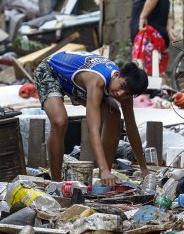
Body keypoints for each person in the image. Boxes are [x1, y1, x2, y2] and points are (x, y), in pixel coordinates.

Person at [34, 51, 151, 186]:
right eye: (121, 87)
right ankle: (56, 182)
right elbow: (93, 129)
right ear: (117, 75)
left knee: (113, 113)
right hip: (51, 71)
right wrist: (103, 168)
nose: (120, 94)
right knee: (60, 121)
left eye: (127, 93)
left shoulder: (126, 90)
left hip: (75, 83)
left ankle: (105, 178)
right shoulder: (97, 82)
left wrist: (143, 168)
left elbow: (131, 128)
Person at [130, 0, 173, 74]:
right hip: (159, 39)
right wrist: (169, 28)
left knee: (141, 75)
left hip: (148, 37)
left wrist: (142, 17)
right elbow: (168, 14)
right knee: (155, 75)